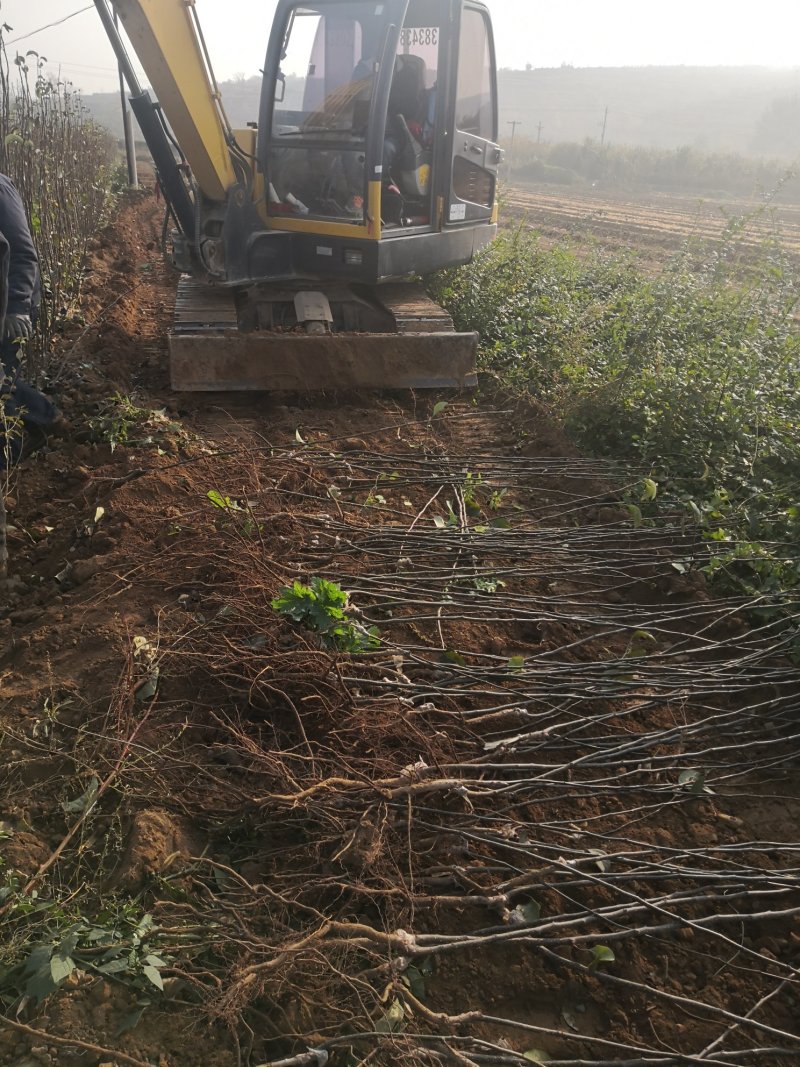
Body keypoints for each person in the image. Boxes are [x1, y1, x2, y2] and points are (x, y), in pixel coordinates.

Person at [0, 172, 59, 466]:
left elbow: (23, 253)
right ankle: (47, 416)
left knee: (2, 384)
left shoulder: (0, 190)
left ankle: (8, 461)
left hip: (11, 306)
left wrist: (17, 306)